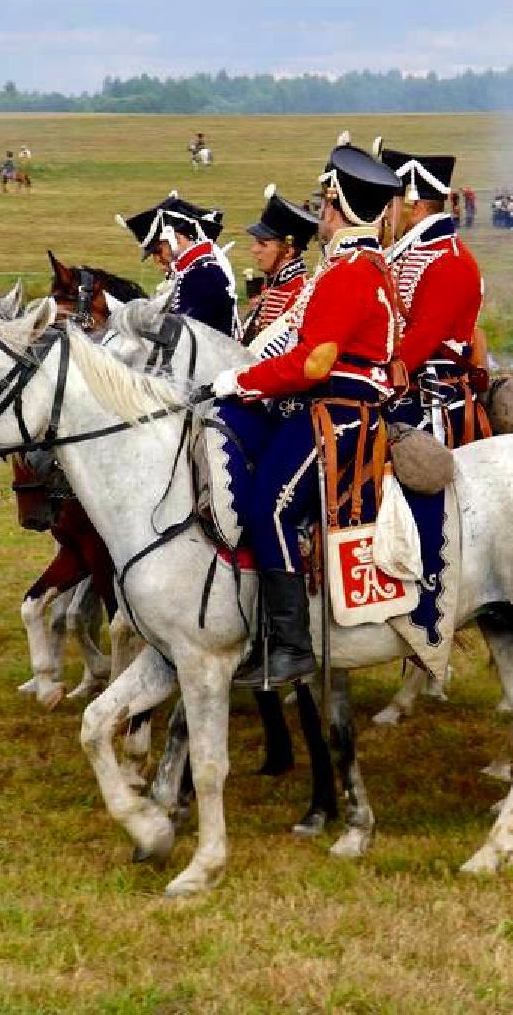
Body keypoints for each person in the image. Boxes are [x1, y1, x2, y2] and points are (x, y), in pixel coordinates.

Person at [199, 141, 403, 687]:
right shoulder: (360, 265)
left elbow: (313, 362)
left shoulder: (347, 272)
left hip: (338, 412)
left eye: (327, 204)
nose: (321, 214)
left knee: (269, 504)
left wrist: (240, 381)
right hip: (337, 404)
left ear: (342, 209)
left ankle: (290, 645)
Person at [378, 143, 485, 445]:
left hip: (432, 395)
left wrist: (374, 380)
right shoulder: (409, 251)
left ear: (414, 206)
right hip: (406, 384)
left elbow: (422, 339)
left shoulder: (450, 260)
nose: (386, 214)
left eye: (390, 204)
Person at [117, 191, 237, 337]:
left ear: (176, 239)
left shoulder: (202, 277)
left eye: (158, 251)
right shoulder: (192, 273)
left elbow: (182, 341)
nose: (156, 260)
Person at [240, 184, 318, 344]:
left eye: (262, 244)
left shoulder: (300, 295)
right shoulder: (274, 285)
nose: (254, 250)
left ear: (288, 251)